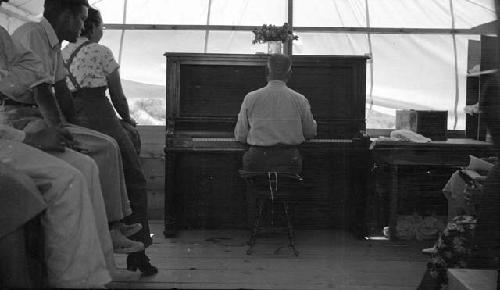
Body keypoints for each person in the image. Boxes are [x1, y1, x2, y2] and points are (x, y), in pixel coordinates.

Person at [1, 15, 141, 285]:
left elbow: (56, 87)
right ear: (67, 14)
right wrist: (49, 131)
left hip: (30, 120)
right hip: (18, 118)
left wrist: (69, 126)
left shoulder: (51, 45)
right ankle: (76, 276)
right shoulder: (32, 34)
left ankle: (104, 263)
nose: (82, 27)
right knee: (80, 169)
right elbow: (40, 89)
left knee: (90, 161)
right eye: (82, 19)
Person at [61, 6, 157, 276]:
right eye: (101, 26)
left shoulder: (62, 54)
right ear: (91, 27)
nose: (103, 31)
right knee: (134, 178)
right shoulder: (101, 52)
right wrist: (129, 120)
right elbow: (118, 98)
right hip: (101, 116)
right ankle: (139, 253)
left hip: (74, 121)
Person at [234, 53, 317, 174]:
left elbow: (241, 136)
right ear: (289, 74)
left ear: (267, 72)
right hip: (289, 160)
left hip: (257, 160)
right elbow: (309, 133)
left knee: (255, 190)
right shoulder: (300, 99)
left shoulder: (250, 98)